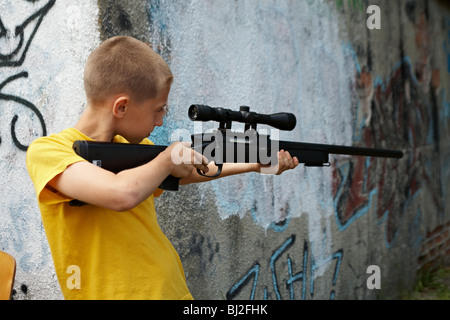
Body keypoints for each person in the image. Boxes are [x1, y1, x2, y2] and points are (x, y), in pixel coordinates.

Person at [26, 36, 299, 300]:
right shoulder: (49, 152)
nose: (159, 122)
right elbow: (122, 193)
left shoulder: (135, 150)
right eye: (159, 110)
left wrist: (255, 164)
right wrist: (167, 158)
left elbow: (190, 170)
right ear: (121, 107)